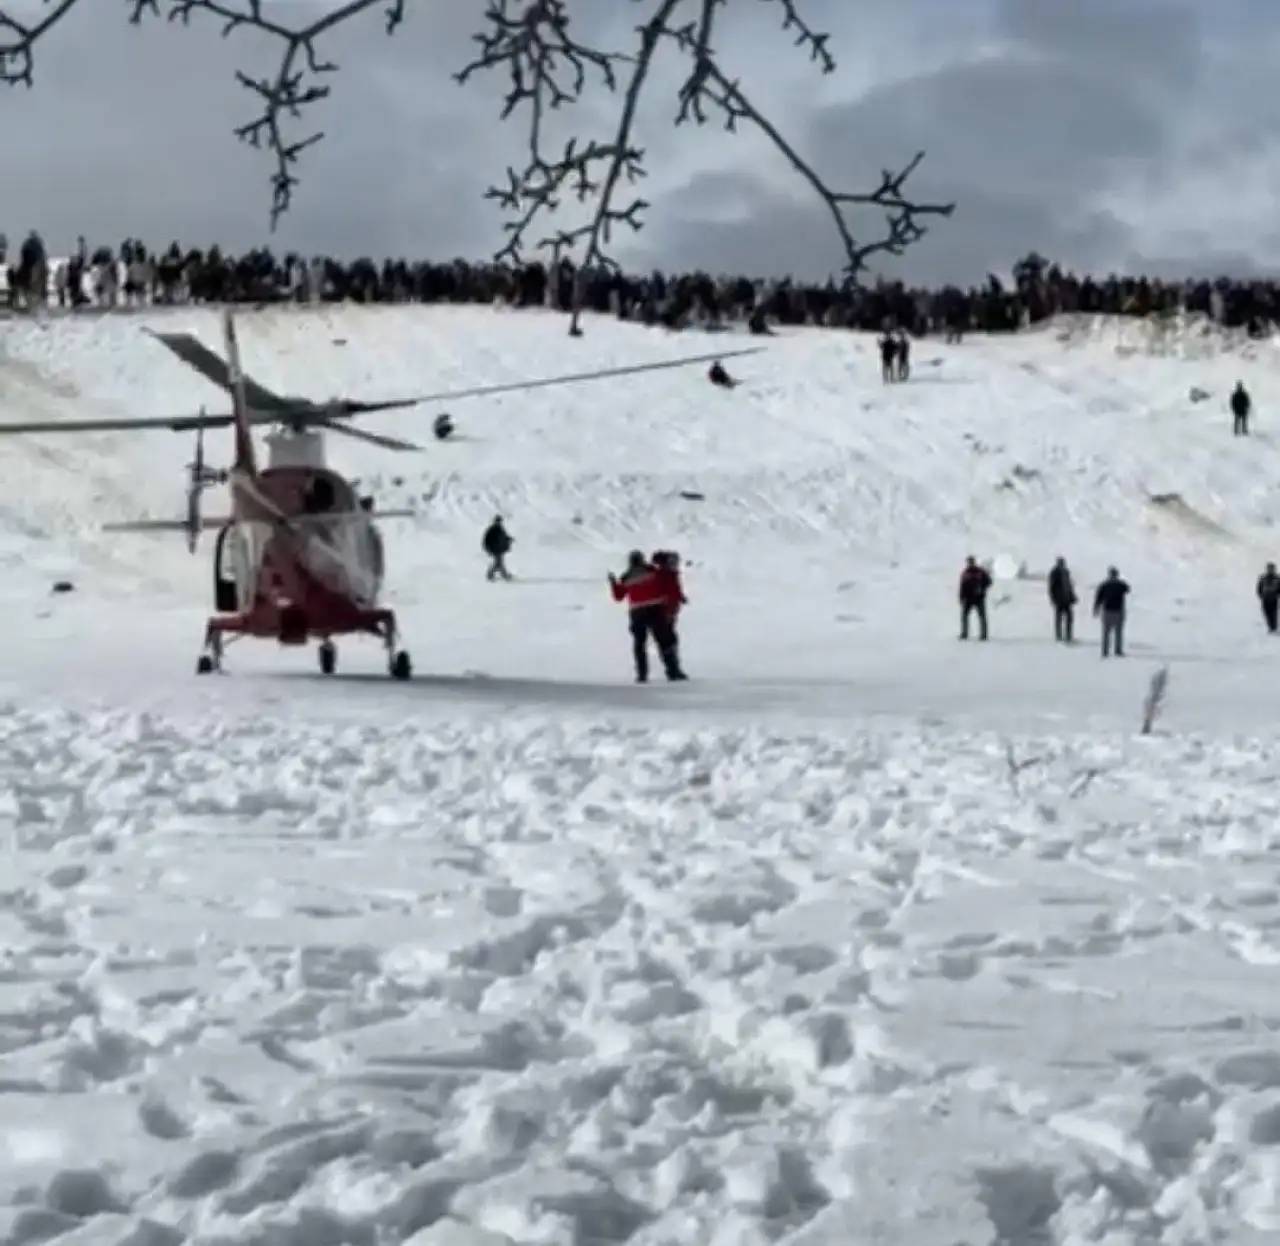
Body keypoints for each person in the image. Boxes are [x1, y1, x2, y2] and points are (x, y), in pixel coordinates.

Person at [609, 550, 684, 683]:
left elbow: (618, 596)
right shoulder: (653, 572)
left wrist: (613, 583)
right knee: (663, 641)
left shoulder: (626, 577)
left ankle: (642, 674)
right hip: (655, 609)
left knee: (639, 644)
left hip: (637, 611)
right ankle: (672, 671)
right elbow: (666, 584)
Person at [652, 550, 688, 675]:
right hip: (664, 612)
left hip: (670, 611)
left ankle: (673, 667)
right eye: (673, 562)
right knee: (669, 640)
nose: (676, 564)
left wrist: (681, 598)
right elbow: (668, 591)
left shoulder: (670, 574)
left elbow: (675, 590)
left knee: (670, 640)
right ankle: (672, 669)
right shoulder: (664, 575)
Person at [1093, 566, 1130, 658]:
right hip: (1118, 610)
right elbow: (1127, 589)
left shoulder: (1104, 585)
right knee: (1118, 632)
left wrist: (1096, 608)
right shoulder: (1121, 584)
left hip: (1107, 610)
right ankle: (1118, 650)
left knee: (1106, 632)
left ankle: (1105, 651)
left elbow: (1099, 598)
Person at [958, 556, 991, 641]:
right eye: (969, 562)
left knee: (982, 617)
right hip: (968, 598)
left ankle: (984, 635)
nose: (970, 564)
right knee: (964, 616)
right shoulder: (965, 573)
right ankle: (964, 633)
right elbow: (962, 586)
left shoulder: (980, 572)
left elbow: (989, 581)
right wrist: (961, 597)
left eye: (971, 562)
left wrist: (982, 588)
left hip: (979, 598)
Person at [1047, 556, 1076, 642]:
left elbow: (1069, 585)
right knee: (1060, 618)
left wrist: (1072, 596)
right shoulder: (1054, 572)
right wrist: (1053, 598)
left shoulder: (1066, 572)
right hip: (1059, 599)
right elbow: (1052, 587)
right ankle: (1059, 636)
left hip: (1067, 599)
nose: (1063, 564)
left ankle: (1068, 636)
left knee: (1069, 618)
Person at [482, 515, 513, 581]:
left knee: (499, 562)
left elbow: (504, 537)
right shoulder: (492, 529)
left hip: (499, 549)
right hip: (494, 549)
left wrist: (509, 539)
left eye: (500, 521)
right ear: (495, 521)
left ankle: (503, 575)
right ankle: (491, 575)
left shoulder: (500, 529)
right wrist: (488, 548)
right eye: (498, 521)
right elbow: (486, 540)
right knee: (498, 562)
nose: (499, 522)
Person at [1258, 561, 1280, 634]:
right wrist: (1261, 596)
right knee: (1267, 613)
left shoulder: (1277, 578)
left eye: (1272, 569)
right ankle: (1271, 627)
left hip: (1274, 599)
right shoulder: (1263, 578)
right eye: (1269, 568)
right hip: (1266, 599)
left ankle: (1273, 627)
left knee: (1273, 613)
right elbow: (1259, 588)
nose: (1271, 570)